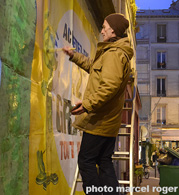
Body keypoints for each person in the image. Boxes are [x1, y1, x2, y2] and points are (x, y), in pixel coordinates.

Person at [63, 13, 133, 195]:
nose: (101, 31)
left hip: (100, 121)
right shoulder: (115, 52)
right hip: (108, 122)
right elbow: (94, 67)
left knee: (86, 160)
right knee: (103, 161)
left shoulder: (114, 54)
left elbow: (109, 86)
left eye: (104, 27)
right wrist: (74, 55)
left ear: (113, 30)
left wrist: (88, 105)